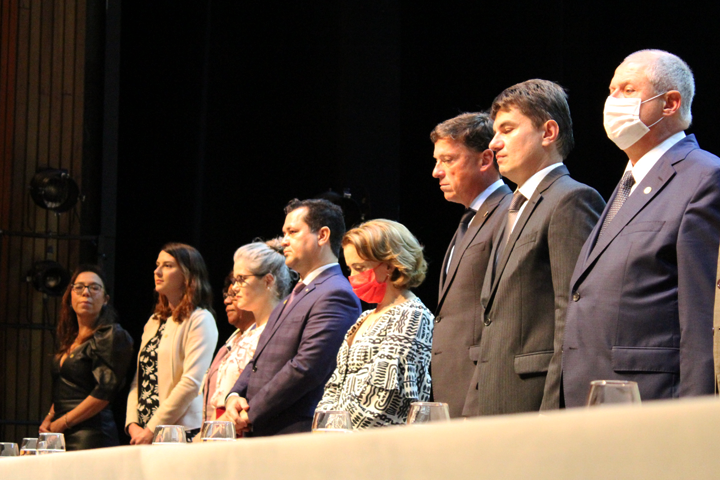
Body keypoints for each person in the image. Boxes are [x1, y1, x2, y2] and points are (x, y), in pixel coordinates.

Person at [563, 50, 720, 406]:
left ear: (670, 103)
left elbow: (702, 317)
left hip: (650, 401)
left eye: (628, 90)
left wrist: (699, 418)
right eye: (611, 90)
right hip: (591, 396)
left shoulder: (704, 177)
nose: (612, 101)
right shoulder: (626, 182)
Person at [470, 79, 605, 415]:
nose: (494, 143)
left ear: (548, 132)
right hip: (493, 399)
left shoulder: (571, 199)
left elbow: (572, 315)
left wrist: (553, 412)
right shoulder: (513, 207)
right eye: (494, 132)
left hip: (533, 404)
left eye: (507, 129)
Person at [225, 199, 361, 436]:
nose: (284, 240)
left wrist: (251, 411)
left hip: (292, 432)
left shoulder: (336, 293)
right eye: (284, 232)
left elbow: (307, 367)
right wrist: (235, 395)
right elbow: (259, 359)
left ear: (322, 235)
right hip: (263, 429)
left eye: (293, 232)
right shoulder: (297, 292)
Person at [430, 112, 512, 418]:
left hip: (480, 396)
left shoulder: (509, 213)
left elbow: (502, 316)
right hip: (453, 390)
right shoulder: (469, 218)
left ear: (485, 159)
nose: (437, 172)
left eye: (448, 160)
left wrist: (476, 402)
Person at [317, 219, 434, 428]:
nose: (352, 277)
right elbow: (335, 384)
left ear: (390, 264)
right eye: (350, 268)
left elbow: (384, 397)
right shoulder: (365, 317)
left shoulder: (412, 315)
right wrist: (327, 427)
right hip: (341, 440)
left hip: (382, 446)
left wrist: (340, 430)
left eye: (359, 268)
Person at [125, 243, 218, 443]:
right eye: (157, 265)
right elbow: (139, 380)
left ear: (187, 275)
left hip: (177, 433)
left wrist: (152, 429)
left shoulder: (200, 319)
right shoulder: (155, 321)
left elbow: (191, 383)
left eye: (167, 266)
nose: (157, 271)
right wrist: (132, 424)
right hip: (144, 434)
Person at [40, 265, 133, 450]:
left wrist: (63, 422)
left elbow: (104, 392)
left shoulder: (111, 335)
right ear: (71, 295)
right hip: (60, 433)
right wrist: (50, 417)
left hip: (91, 435)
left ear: (105, 299)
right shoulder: (71, 338)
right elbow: (68, 386)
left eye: (94, 287)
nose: (86, 293)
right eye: (79, 287)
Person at [202, 240, 292, 423]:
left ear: (268, 281)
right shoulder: (243, 335)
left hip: (244, 428)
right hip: (221, 428)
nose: (234, 288)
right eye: (235, 280)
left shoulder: (277, 335)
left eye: (241, 280)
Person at [201, 275, 255, 422]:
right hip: (217, 428)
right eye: (226, 295)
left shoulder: (260, 338)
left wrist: (215, 429)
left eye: (234, 295)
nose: (226, 301)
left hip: (235, 426)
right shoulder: (228, 345)